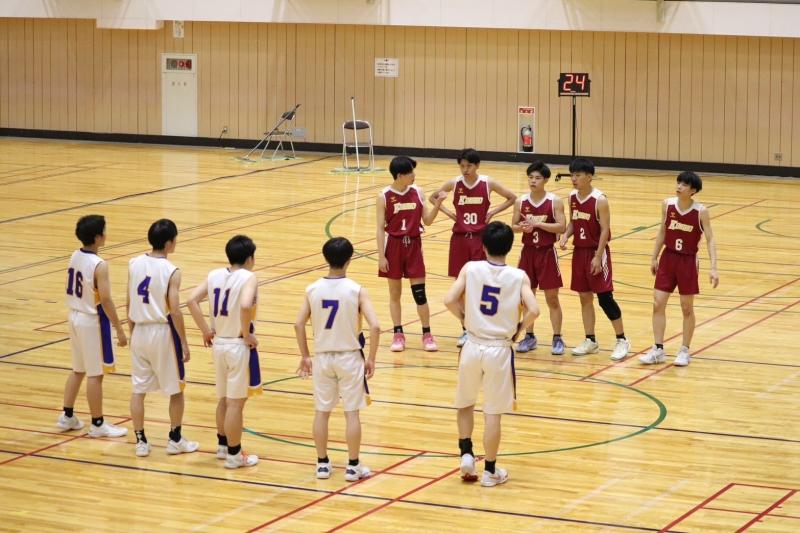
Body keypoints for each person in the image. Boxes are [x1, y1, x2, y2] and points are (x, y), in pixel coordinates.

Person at [444, 221, 539, 488]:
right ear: (510, 247)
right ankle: (490, 471)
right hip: (499, 348)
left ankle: (466, 453)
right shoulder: (519, 276)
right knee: (493, 413)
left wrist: (464, 319)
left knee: (465, 403)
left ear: (483, 245)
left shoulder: (470, 268)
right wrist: (519, 329)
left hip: (472, 344)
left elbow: (449, 300)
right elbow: (534, 309)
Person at [295, 237, 381, 482]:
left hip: (323, 358)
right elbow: (375, 326)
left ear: (326, 258)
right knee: (351, 413)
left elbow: (298, 324)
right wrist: (371, 358)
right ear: (349, 259)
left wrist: (305, 355)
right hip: (349, 357)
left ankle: (322, 464)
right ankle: (352, 466)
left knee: (322, 412)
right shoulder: (356, 289)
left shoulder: (312, 289)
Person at [187, 235, 262, 468]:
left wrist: (205, 330)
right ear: (249, 258)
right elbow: (246, 305)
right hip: (237, 346)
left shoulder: (214, 275)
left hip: (219, 343)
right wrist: (246, 333)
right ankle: (234, 455)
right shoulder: (249, 277)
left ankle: (222, 446)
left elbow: (191, 300)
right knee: (235, 404)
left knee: (223, 399)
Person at [429, 148, 517, 347]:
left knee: (481, 284)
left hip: (479, 239)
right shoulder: (454, 183)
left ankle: (483, 324)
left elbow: (512, 198)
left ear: (477, 165)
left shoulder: (487, 182)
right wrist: (449, 214)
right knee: (460, 287)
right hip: (460, 238)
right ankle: (466, 329)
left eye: (469, 165)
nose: (465, 169)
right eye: (462, 166)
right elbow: (433, 197)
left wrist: (493, 212)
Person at [127, 219, 198, 457]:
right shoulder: (171, 271)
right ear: (169, 243)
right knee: (176, 389)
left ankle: (140, 441)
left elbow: (128, 301)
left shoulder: (134, 263)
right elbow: (175, 311)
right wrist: (184, 342)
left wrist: (132, 332)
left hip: (139, 330)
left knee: (138, 389)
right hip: (161, 332)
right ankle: (175, 439)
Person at [57, 214, 129, 438]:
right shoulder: (99, 264)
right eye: (104, 231)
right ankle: (97, 424)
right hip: (91, 320)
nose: (107, 234)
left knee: (78, 369)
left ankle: (67, 415)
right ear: (98, 237)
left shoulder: (74, 255)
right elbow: (106, 300)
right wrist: (119, 328)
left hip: (74, 316)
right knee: (95, 374)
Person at [640, 171, 719, 367]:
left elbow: (710, 239)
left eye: (684, 185)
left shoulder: (701, 211)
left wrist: (713, 268)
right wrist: (654, 257)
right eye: (678, 183)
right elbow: (662, 231)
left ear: (693, 190)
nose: (679, 186)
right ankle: (658, 349)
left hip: (688, 261)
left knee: (686, 307)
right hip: (668, 258)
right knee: (658, 303)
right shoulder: (667, 205)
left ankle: (684, 350)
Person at [559, 158, 630, 361]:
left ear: (589, 177)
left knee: (605, 298)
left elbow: (605, 230)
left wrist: (598, 257)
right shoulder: (572, 196)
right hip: (579, 253)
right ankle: (590, 340)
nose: (574, 178)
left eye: (578, 175)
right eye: (572, 175)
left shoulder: (600, 199)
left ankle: (622, 340)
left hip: (596, 252)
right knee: (584, 297)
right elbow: (573, 222)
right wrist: (565, 235)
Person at [376, 155, 444, 353]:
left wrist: (438, 204)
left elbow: (428, 221)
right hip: (393, 246)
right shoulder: (384, 196)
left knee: (420, 294)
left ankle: (427, 334)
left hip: (414, 245)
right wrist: (381, 256)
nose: (414, 175)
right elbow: (379, 228)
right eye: (410, 172)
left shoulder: (418, 192)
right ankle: (398, 334)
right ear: (399, 175)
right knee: (394, 293)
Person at [511, 161, 567, 355]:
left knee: (552, 298)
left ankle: (557, 337)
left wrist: (537, 225)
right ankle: (529, 336)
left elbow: (562, 227)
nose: (533, 181)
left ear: (545, 180)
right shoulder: (521, 201)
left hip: (547, 253)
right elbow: (513, 226)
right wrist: (522, 228)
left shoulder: (554, 201)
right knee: (527, 297)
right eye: (530, 177)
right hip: (527, 253)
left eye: (537, 178)